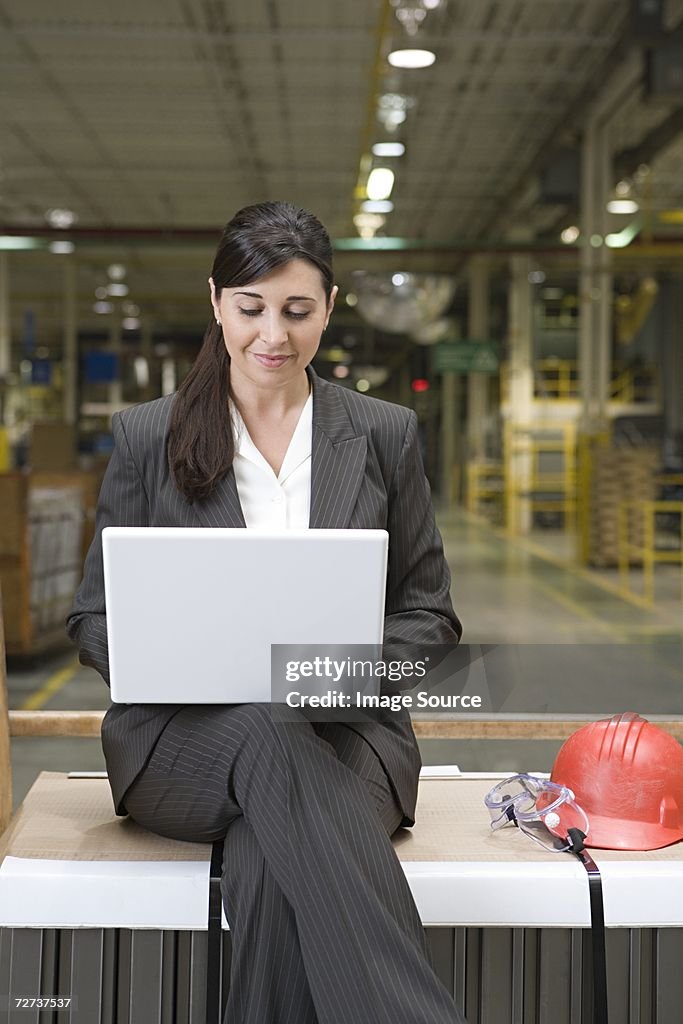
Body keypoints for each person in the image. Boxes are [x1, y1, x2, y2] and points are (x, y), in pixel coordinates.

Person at [67, 201, 466, 1024]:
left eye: (297, 310)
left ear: (329, 306)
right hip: (184, 745)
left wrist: (329, 679)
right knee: (260, 726)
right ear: (217, 302)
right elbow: (93, 615)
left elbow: (430, 614)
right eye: (251, 309)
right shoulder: (150, 436)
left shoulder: (382, 433)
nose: (272, 336)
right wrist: (156, 657)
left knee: (264, 852)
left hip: (345, 741)